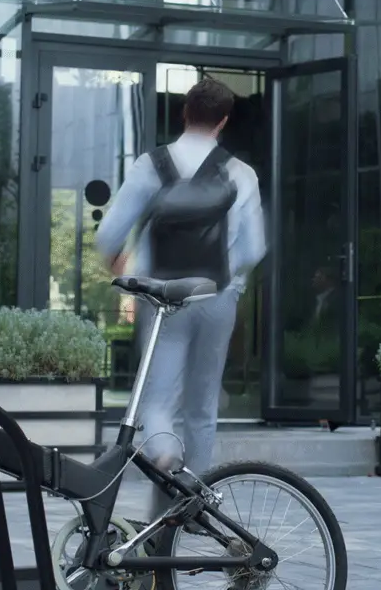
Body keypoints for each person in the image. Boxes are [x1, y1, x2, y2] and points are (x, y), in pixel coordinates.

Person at [95, 77, 266, 518]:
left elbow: (109, 234)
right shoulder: (240, 173)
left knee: (158, 401)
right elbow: (253, 249)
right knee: (202, 406)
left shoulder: (152, 165)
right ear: (223, 121)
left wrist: (121, 267)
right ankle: (191, 506)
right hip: (215, 297)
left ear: (184, 112)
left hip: (162, 298)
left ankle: (165, 456)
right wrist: (230, 287)